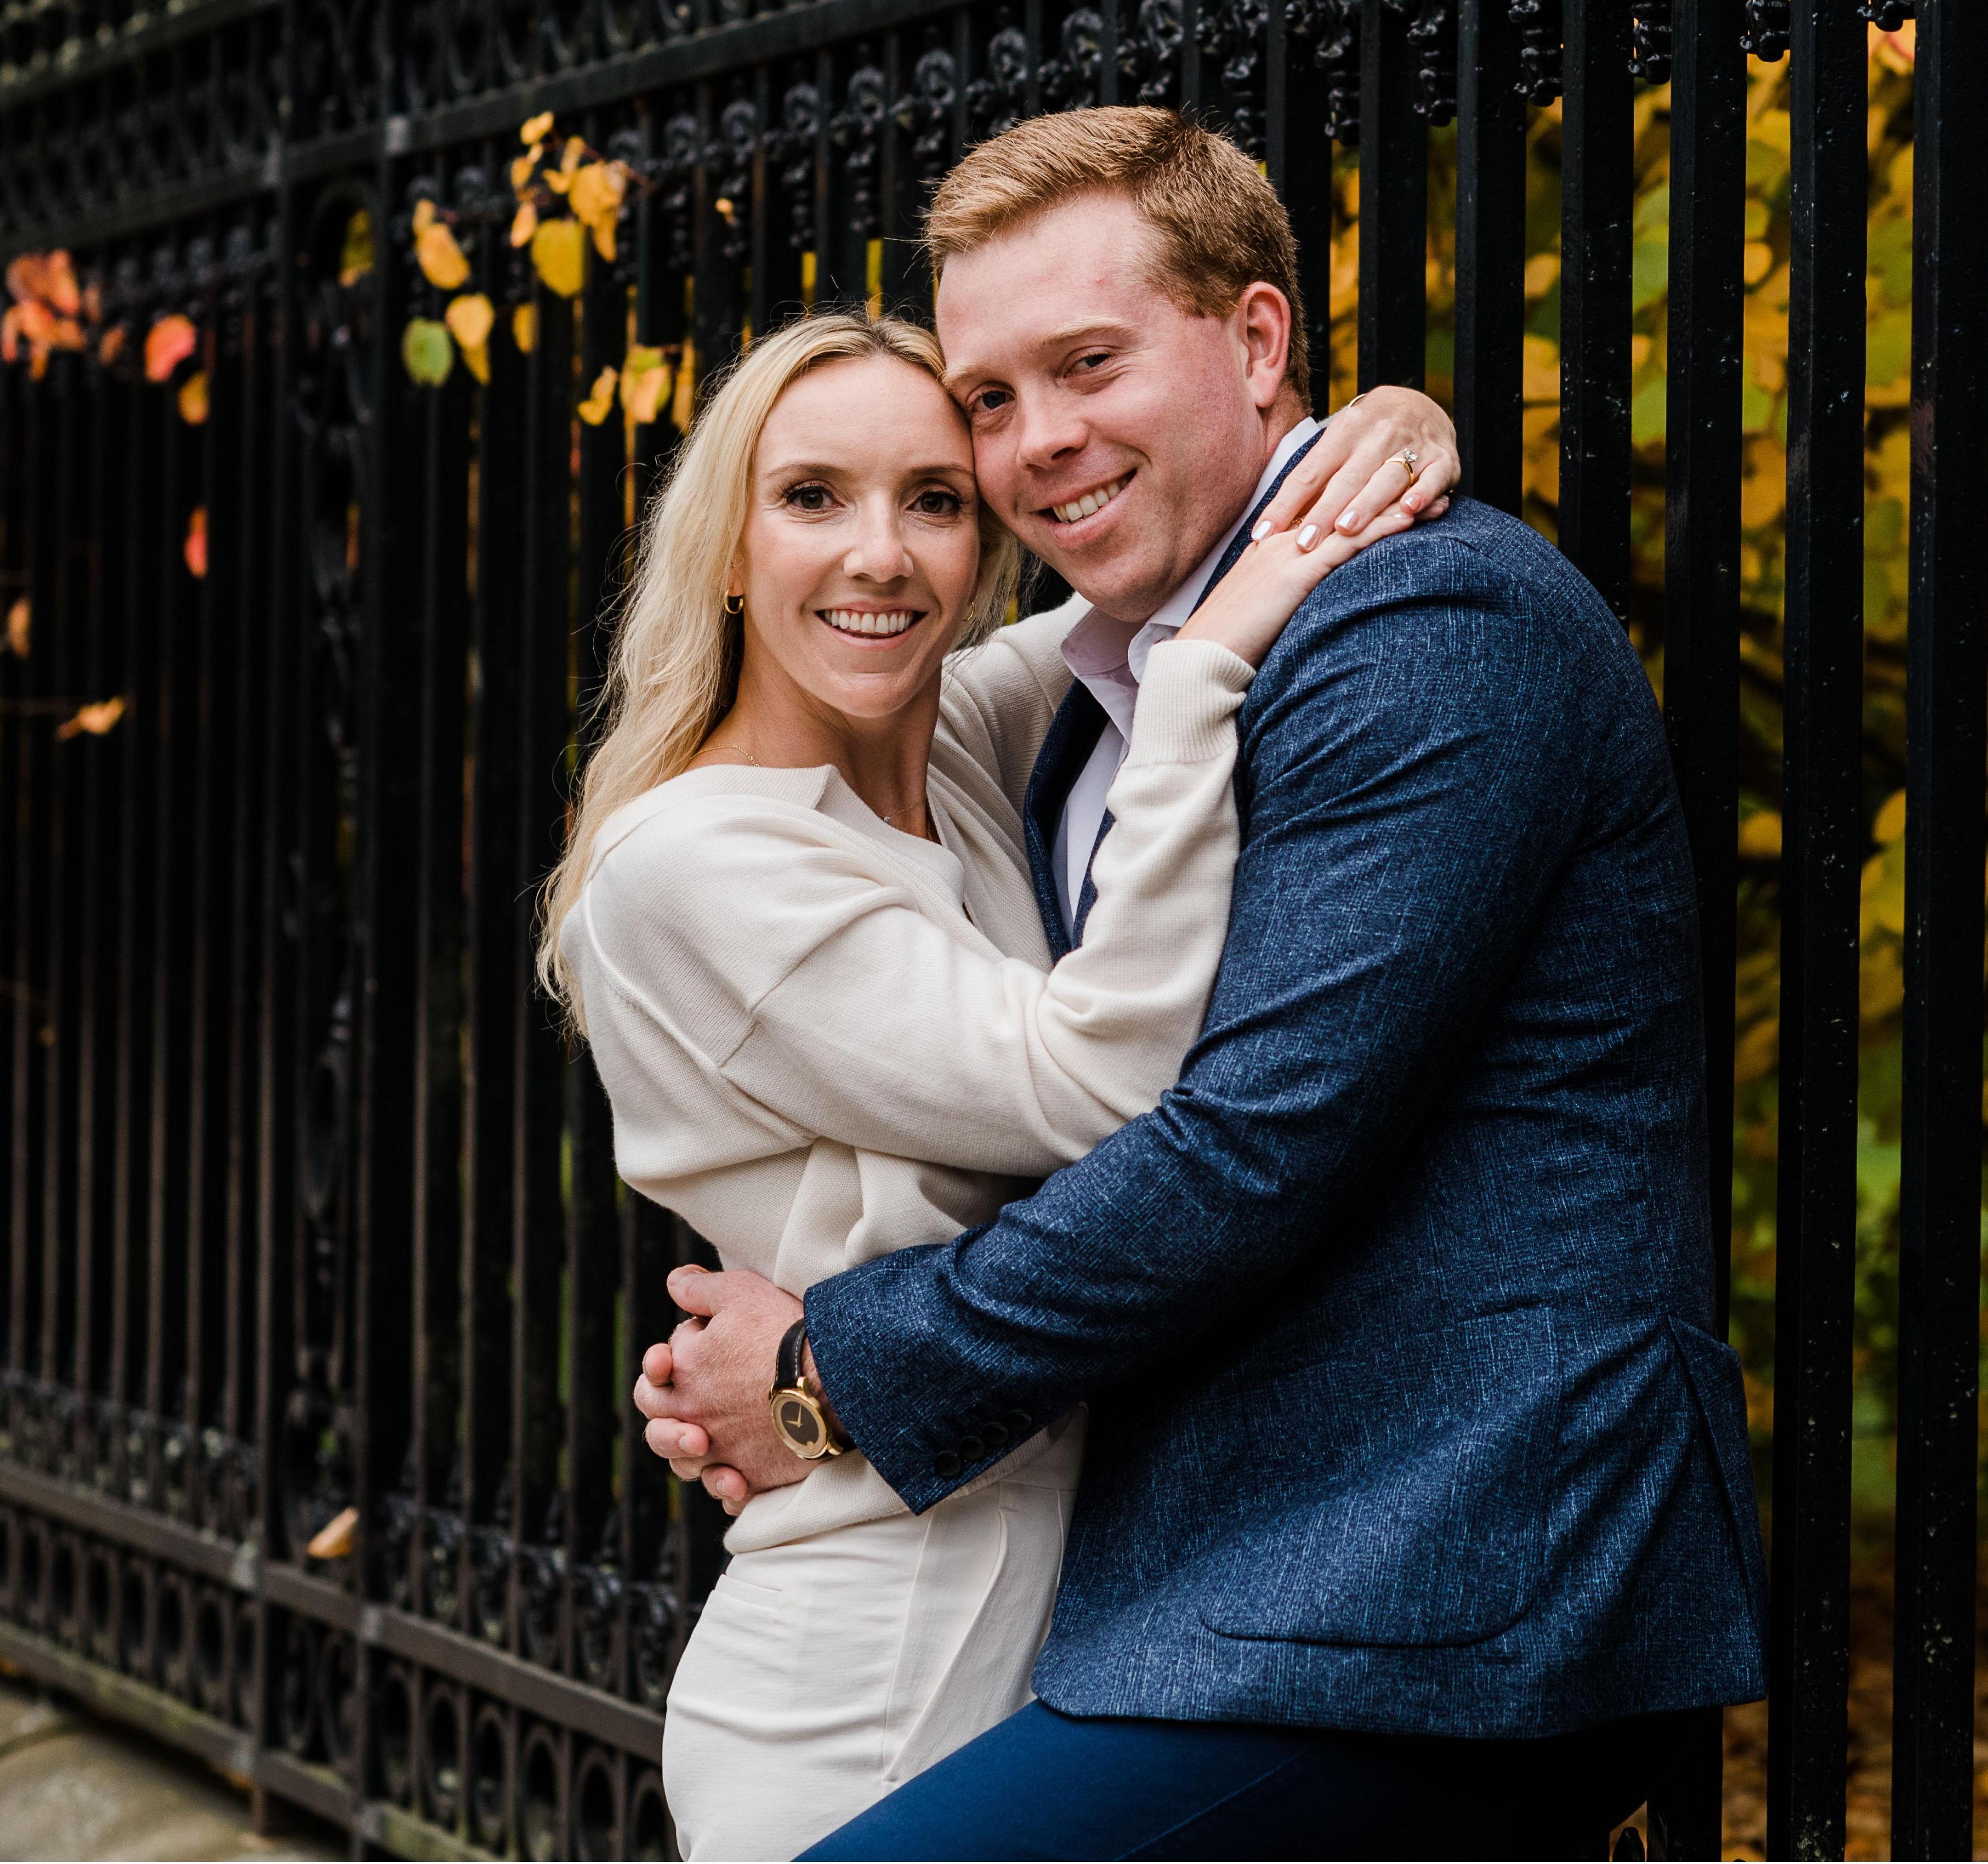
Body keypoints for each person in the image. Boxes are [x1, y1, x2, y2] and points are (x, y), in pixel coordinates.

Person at [635, 109, 1771, 1861]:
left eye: (1089, 364)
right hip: (1223, 1580)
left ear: (1255, 339)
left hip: (1447, 1576)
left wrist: (830, 1376)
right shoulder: (1084, 694)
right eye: (991, 399)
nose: (1037, 444)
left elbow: (1248, 1148)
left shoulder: (1425, 627)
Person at [538, 288, 1457, 1862]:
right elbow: (1093, 1087)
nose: (880, 554)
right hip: (872, 1656)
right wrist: (1196, 689)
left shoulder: (941, 736)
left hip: (1051, 1604)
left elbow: (1205, 556)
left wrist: (1390, 432)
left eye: (936, 501)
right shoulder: (698, 856)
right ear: (729, 545)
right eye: (812, 496)